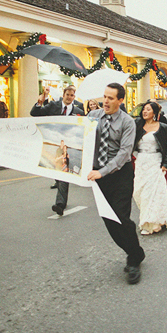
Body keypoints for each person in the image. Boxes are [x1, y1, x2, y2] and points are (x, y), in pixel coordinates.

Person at [87, 83, 146, 284]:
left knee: (121, 217)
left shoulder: (128, 122)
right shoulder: (93, 117)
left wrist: (101, 172)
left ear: (120, 100)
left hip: (120, 174)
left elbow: (124, 153)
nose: (105, 101)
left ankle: (133, 259)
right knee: (109, 219)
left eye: (110, 98)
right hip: (99, 176)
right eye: (104, 96)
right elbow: (83, 140)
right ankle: (135, 251)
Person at [31, 85, 85, 216]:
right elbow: (35, 114)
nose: (69, 97)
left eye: (72, 95)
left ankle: (60, 204)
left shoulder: (79, 111)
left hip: (68, 145)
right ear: (63, 95)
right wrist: (39, 103)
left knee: (63, 173)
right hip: (55, 144)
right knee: (58, 172)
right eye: (67, 95)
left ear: (74, 96)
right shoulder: (53, 106)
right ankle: (60, 197)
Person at [132, 101, 167, 233]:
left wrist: (165, 164)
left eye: (148, 109)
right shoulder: (138, 125)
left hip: (155, 161)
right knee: (139, 192)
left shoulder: (162, 127)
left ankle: (150, 223)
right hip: (141, 161)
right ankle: (155, 216)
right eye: (144, 109)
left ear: (154, 112)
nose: (145, 112)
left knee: (153, 192)